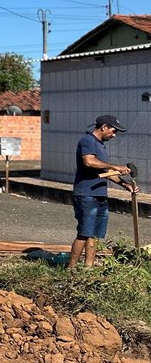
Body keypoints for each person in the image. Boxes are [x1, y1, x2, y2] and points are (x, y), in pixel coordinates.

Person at [70, 114, 140, 269]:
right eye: (113, 131)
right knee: (84, 233)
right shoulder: (87, 141)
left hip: (100, 195)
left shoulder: (100, 145)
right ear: (104, 127)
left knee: (94, 234)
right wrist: (115, 166)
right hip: (86, 194)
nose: (114, 135)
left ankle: (88, 268)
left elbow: (106, 171)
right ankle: (71, 269)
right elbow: (89, 161)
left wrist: (125, 184)